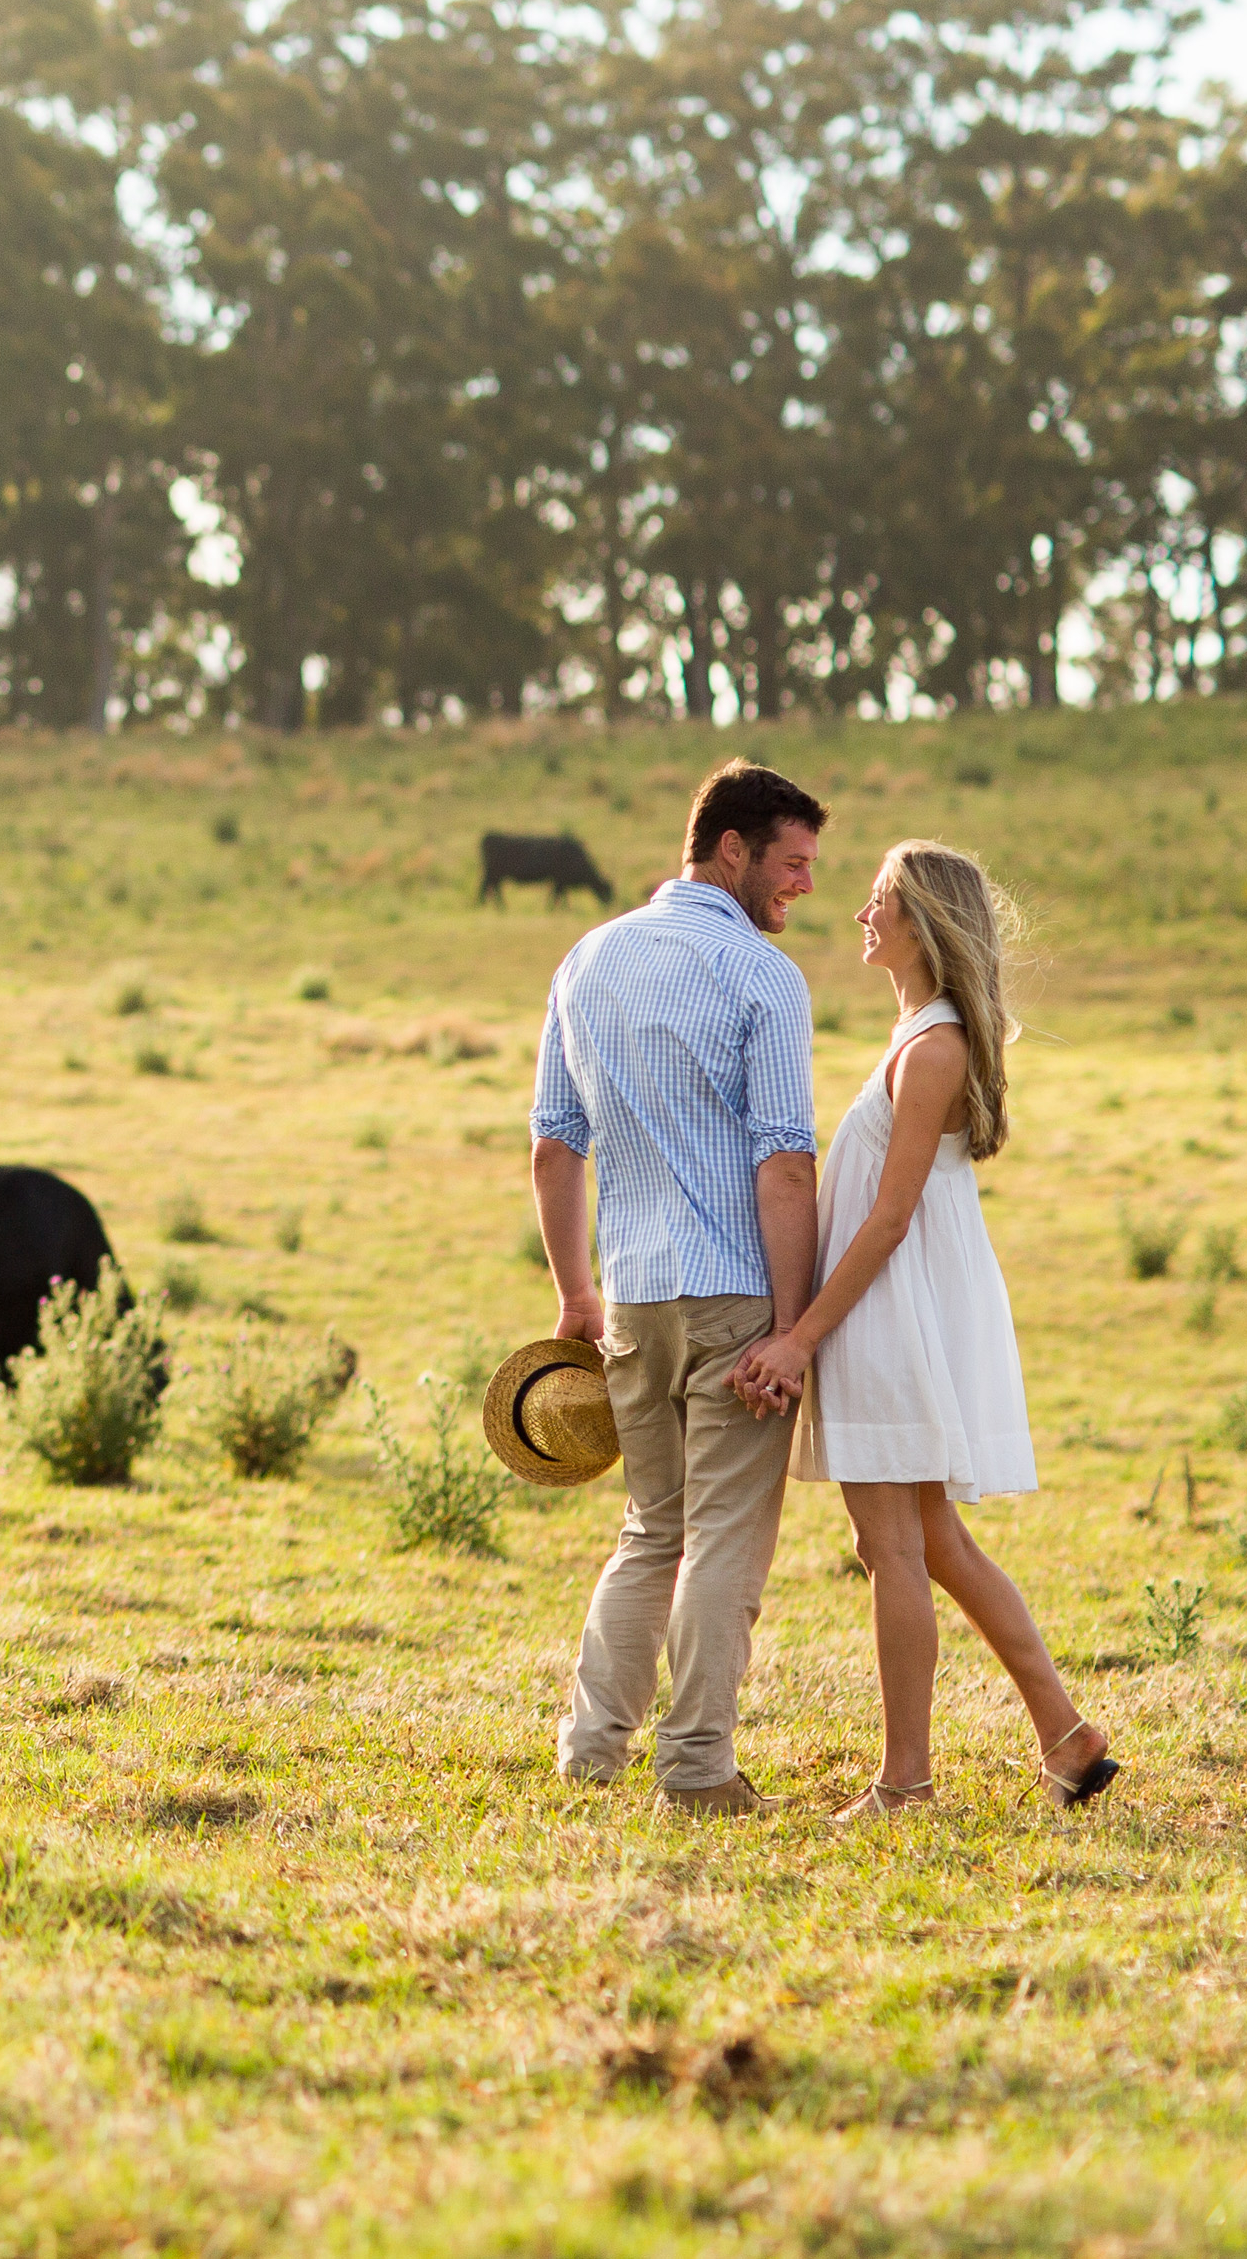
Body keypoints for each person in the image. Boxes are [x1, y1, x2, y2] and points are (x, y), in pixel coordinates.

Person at [729, 843, 1119, 1818]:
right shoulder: (917, 1031)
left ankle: (904, 1782)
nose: (862, 915)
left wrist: (800, 1337)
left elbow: (889, 1215)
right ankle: (1066, 1733)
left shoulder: (934, 1044)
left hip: (887, 1316)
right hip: (889, 1308)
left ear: (923, 923)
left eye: (879, 901)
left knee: (892, 1547)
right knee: (934, 1540)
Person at [528, 759, 827, 1814]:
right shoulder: (760, 975)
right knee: (725, 1538)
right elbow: (784, 1163)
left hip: (633, 1295)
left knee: (651, 1528)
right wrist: (791, 1326)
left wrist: (576, 1296)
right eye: (791, 863)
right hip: (735, 1296)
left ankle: (589, 1749)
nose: (803, 885)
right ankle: (697, 1768)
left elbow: (553, 1147)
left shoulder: (587, 956)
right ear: (731, 848)